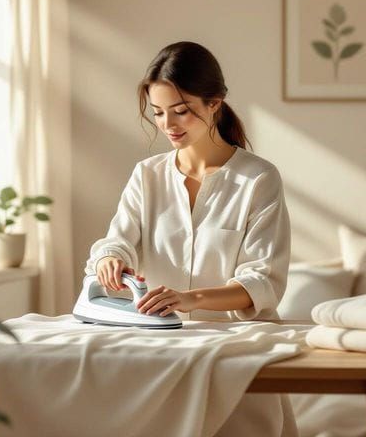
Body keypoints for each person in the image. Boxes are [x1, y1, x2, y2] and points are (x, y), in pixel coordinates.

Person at [86, 40, 296, 437]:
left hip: (238, 356)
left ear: (214, 103)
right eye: (158, 112)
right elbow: (118, 239)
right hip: (161, 356)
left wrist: (190, 299)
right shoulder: (147, 176)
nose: (168, 124)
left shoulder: (258, 179)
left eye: (181, 110)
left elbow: (263, 281)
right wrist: (110, 258)